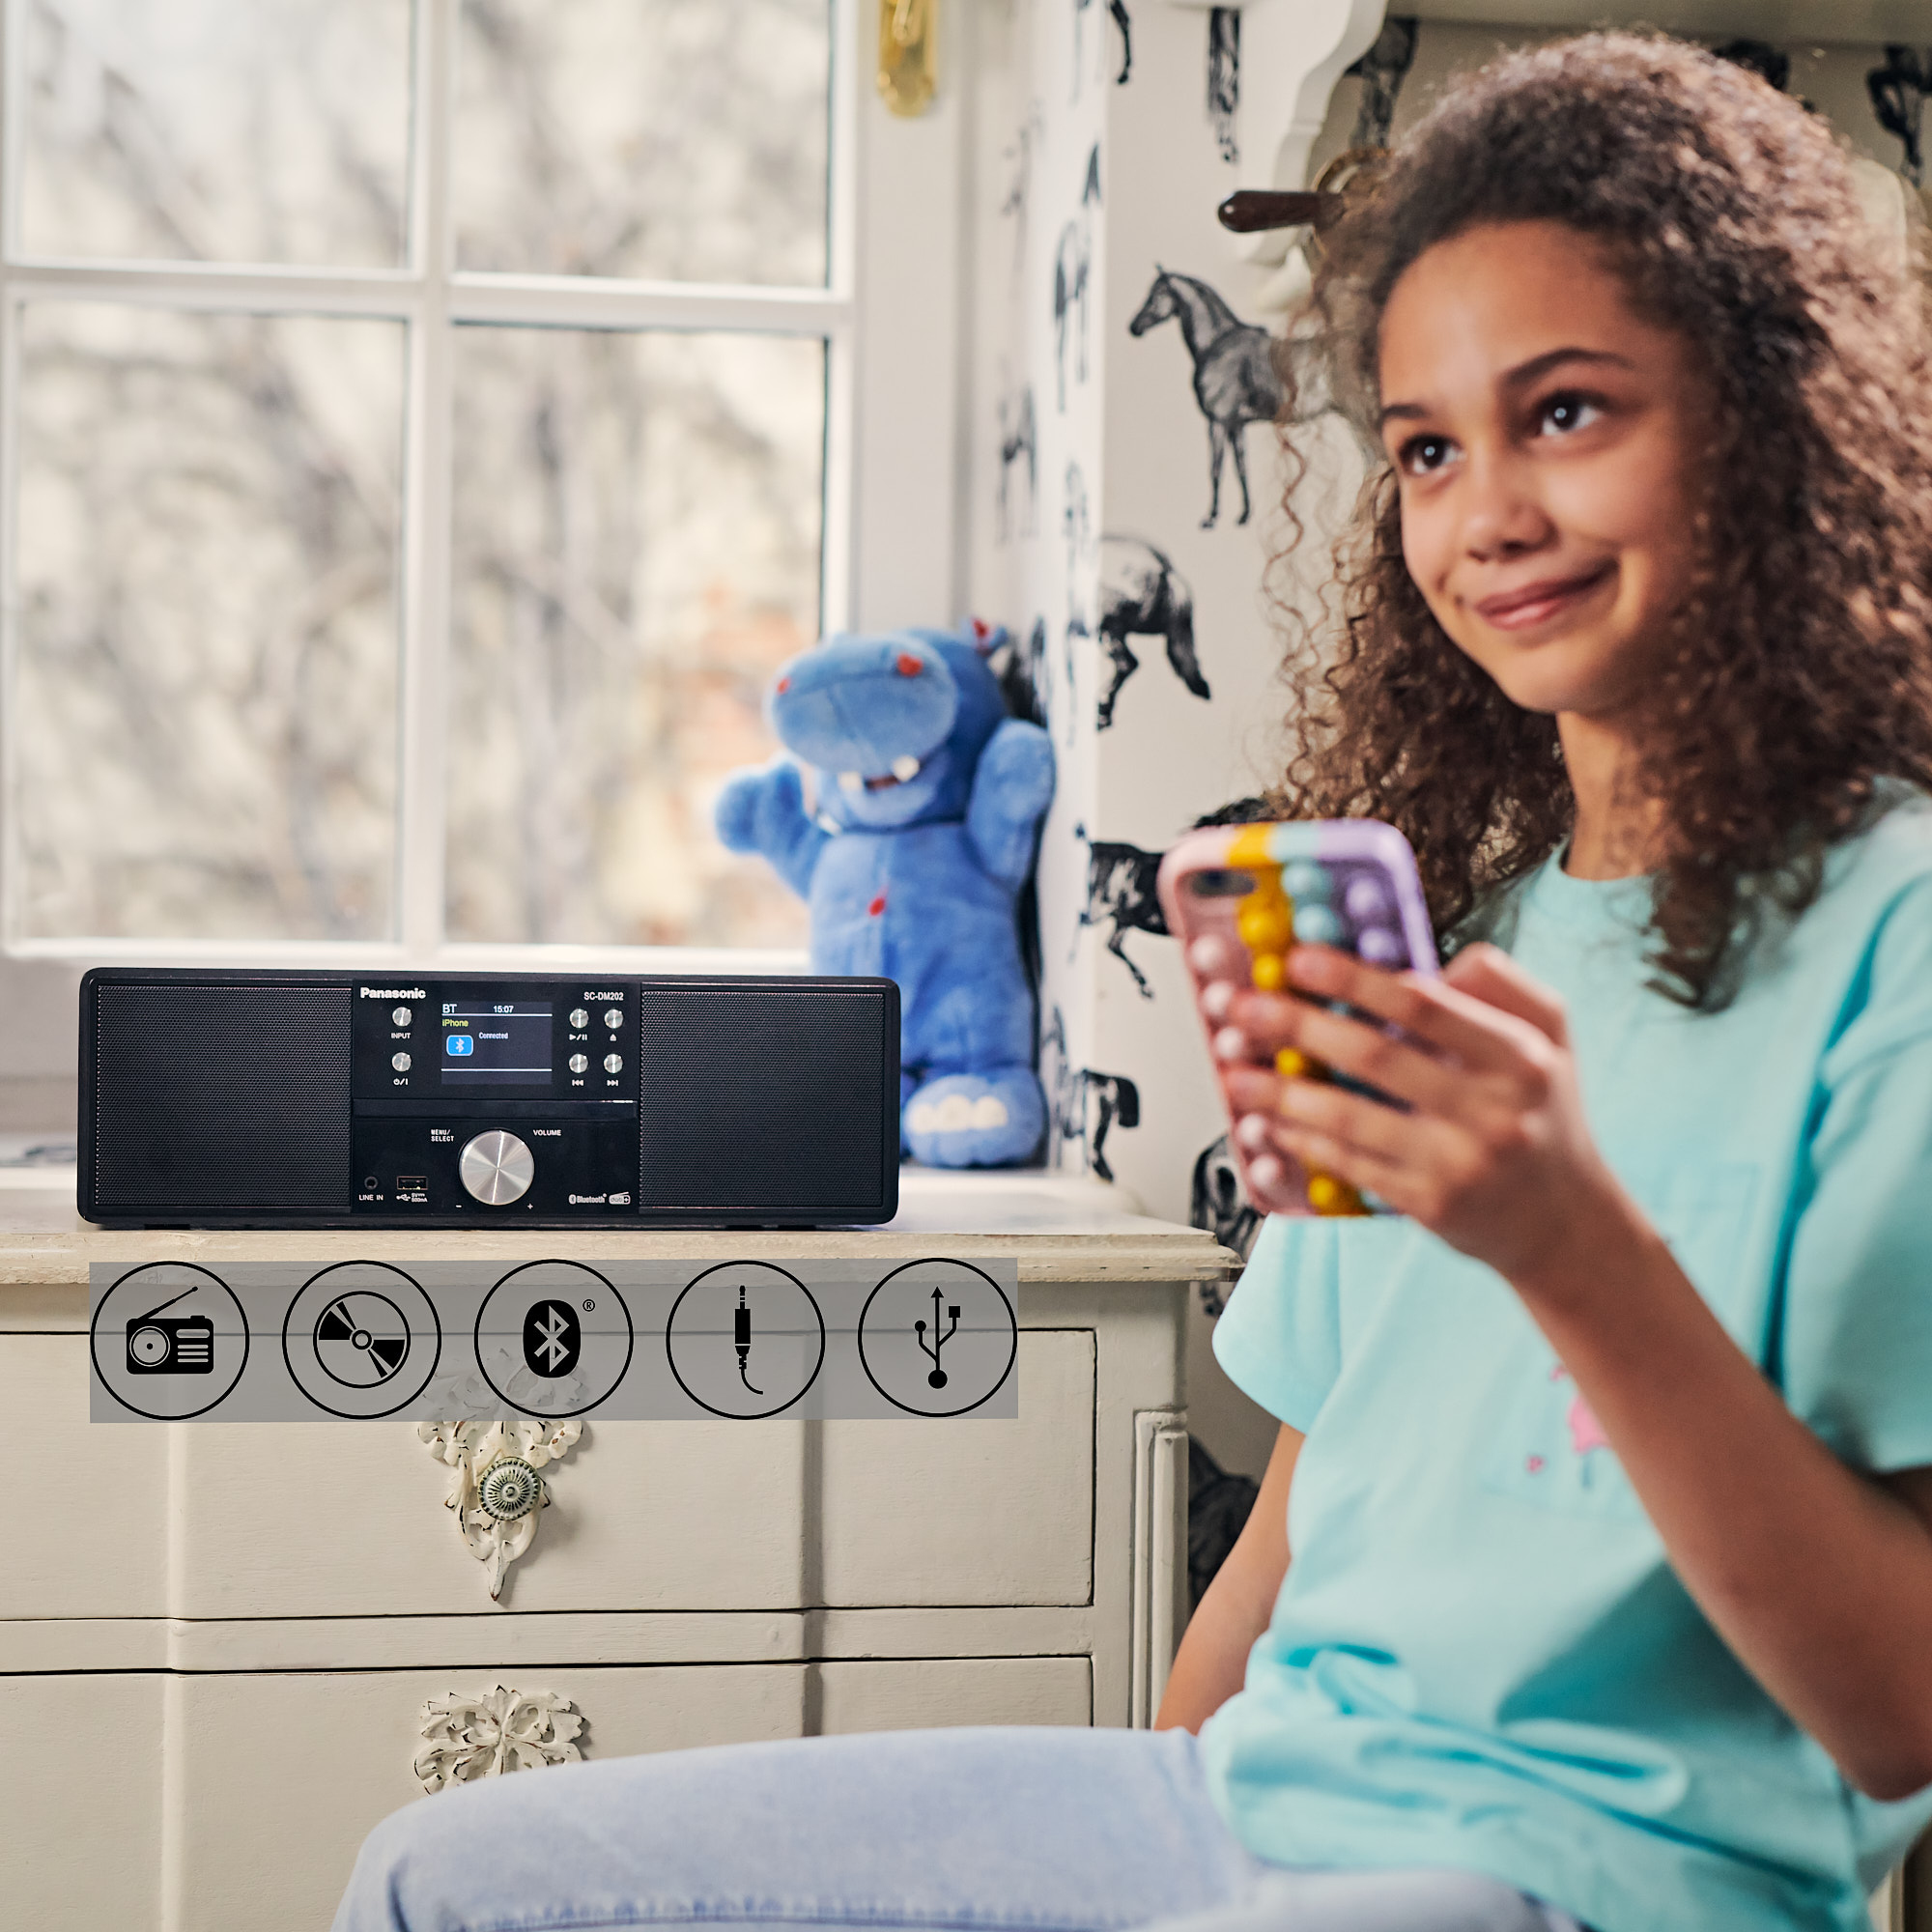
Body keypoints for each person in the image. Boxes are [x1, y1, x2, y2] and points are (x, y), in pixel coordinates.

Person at [332, 34, 1932, 1932]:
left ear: (1777, 423)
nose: (1482, 511)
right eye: (1425, 447)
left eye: (1565, 412)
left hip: (1613, 1881)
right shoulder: (1469, 945)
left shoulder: (1899, 940)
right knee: (444, 1879)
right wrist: (1152, 1820)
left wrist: (1570, 1248)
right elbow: (1297, 1524)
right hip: (1263, 1809)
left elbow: (1896, 1716)